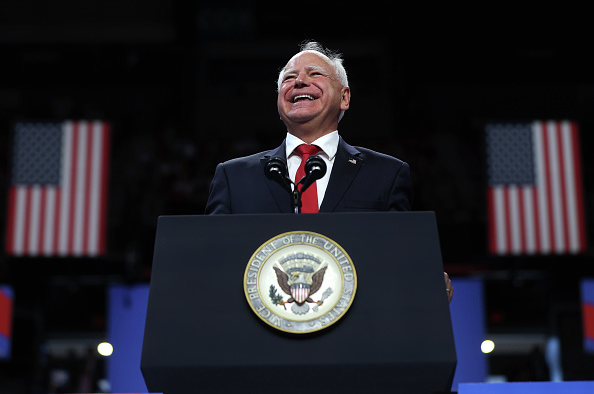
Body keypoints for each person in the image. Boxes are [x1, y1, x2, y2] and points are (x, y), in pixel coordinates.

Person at [205, 41, 453, 302]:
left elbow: (400, 262)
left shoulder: (387, 175)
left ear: (344, 97)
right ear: (279, 103)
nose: (299, 81)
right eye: (289, 78)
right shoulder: (233, 178)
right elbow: (210, 263)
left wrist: (424, 289)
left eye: (314, 74)